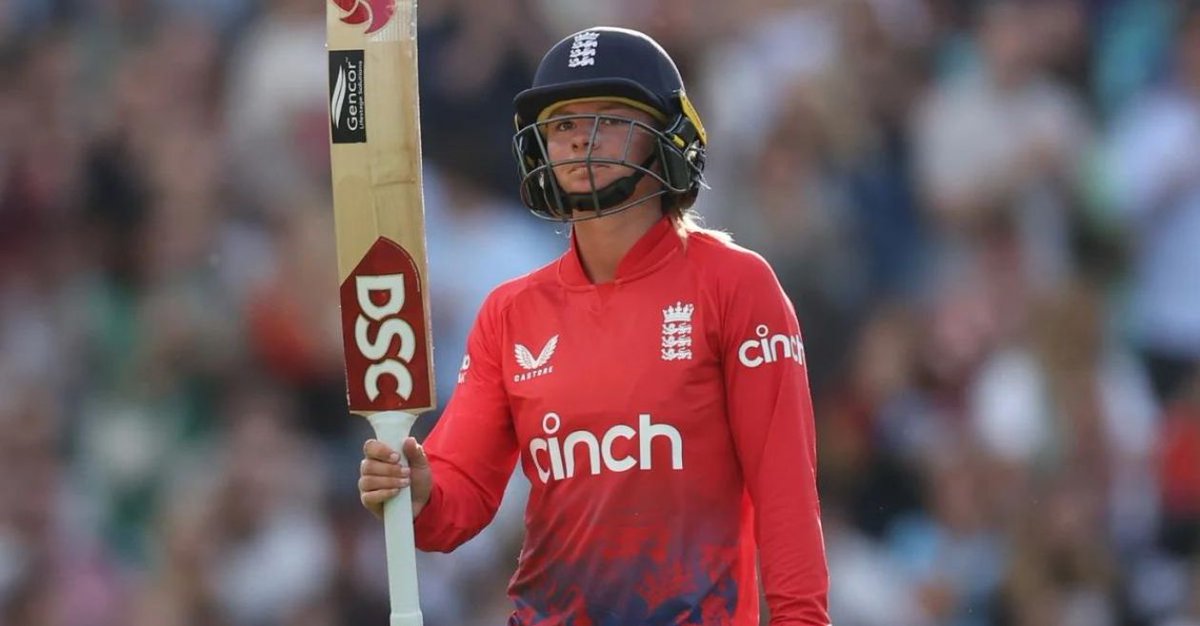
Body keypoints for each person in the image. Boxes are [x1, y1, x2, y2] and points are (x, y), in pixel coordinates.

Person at [358, 26, 830, 625]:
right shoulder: (510, 312)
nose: (581, 138)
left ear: (666, 138)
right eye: (562, 124)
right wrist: (414, 490)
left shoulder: (736, 286)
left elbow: (786, 495)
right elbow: (456, 501)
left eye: (608, 117)